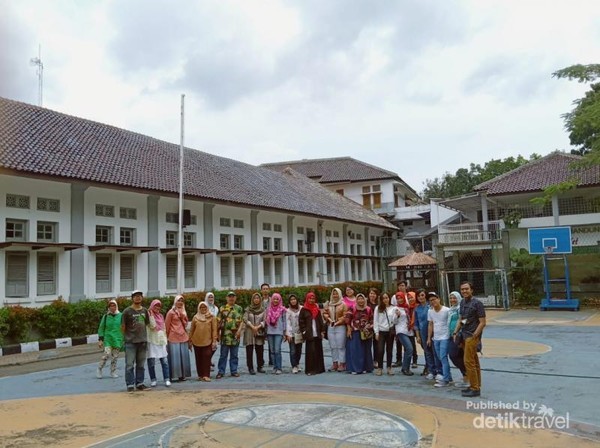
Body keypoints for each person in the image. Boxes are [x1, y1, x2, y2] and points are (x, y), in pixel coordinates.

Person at [453, 281, 486, 397]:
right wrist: (456, 331)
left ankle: (475, 388)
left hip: (471, 336)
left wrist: (475, 335)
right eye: (462, 289)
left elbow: (482, 322)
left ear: (471, 290)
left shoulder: (477, 304)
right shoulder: (462, 302)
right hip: (464, 334)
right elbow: (464, 319)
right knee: (474, 361)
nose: (464, 291)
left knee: (468, 361)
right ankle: (475, 384)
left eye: (466, 289)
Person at [121, 290, 150, 392]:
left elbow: (146, 323)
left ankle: (139, 383)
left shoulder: (145, 311)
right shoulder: (127, 311)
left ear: (142, 298)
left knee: (141, 365)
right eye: (135, 296)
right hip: (130, 342)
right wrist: (124, 339)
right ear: (132, 298)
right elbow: (123, 326)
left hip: (142, 342)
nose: (138, 298)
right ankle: (130, 384)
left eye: (139, 296)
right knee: (129, 365)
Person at [216, 291, 244, 378]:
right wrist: (217, 334)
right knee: (223, 355)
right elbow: (218, 322)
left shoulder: (239, 308)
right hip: (225, 336)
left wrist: (239, 331)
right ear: (226, 298)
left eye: (233, 296)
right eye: (229, 297)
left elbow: (242, 321)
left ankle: (234, 371)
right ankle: (221, 371)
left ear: (235, 298)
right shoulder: (222, 308)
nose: (231, 298)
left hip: (235, 336)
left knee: (234, 355)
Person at [345, 293, 374, 374]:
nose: (361, 300)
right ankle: (355, 369)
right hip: (355, 332)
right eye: (359, 299)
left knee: (366, 350)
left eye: (362, 299)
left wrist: (369, 327)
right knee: (355, 351)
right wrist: (349, 329)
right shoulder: (352, 308)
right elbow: (347, 319)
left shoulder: (368, 309)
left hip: (366, 332)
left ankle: (365, 368)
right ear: (356, 300)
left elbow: (372, 319)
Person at [427, 292, 452, 387]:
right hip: (436, 338)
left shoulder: (447, 310)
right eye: (430, 300)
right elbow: (430, 324)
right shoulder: (430, 311)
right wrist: (429, 338)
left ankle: (446, 379)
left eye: (434, 299)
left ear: (439, 299)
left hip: (445, 337)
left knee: (443, 357)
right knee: (439, 357)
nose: (432, 302)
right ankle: (448, 376)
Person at [189, 302, 218, 382]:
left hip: (208, 341)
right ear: (199, 308)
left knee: (207, 357)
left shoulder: (212, 317)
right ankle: (200, 375)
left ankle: (206, 375)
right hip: (196, 341)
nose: (203, 309)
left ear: (207, 308)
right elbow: (192, 330)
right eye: (201, 307)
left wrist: (214, 341)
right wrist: (189, 340)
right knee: (198, 359)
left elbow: (214, 330)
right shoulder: (195, 317)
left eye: (205, 307)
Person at [298, 292, 326, 375]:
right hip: (309, 333)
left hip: (317, 333)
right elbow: (301, 321)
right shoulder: (304, 309)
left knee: (318, 351)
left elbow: (320, 321)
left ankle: (319, 369)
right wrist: (304, 331)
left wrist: (322, 331)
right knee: (311, 352)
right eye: (310, 298)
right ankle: (310, 370)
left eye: (313, 298)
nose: (311, 300)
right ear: (307, 299)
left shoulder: (316, 309)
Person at [165, 295, 192, 382]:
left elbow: (185, 324)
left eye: (181, 301)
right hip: (173, 336)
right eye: (178, 301)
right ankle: (174, 375)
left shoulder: (184, 311)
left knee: (183, 356)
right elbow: (167, 325)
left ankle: (183, 375)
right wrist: (166, 337)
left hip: (183, 336)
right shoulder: (171, 312)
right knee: (175, 356)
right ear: (175, 302)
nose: (180, 302)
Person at [413, 289, 438, 379]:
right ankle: (431, 371)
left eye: (422, 295)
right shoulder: (417, 309)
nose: (420, 297)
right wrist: (418, 336)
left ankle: (438, 370)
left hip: (434, 332)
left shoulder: (430, 306)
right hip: (423, 333)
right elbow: (416, 323)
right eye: (418, 296)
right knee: (427, 352)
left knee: (435, 352)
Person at [146, 299, 171, 387]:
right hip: (152, 341)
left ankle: (167, 379)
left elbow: (164, 329)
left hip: (161, 341)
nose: (157, 307)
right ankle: (153, 379)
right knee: (151, 362)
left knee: (164, 361)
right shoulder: (149, 316)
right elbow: (153, 326)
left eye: (159, 306)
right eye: (155, 305)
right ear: (152, 306)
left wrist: (165, 341)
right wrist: (151, 315)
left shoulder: (160, 316)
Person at [323, 287, 348, 372]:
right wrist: (329, 319)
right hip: (331, 326)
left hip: (340, 327)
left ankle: (342, 363)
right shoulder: (329, 304)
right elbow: (325, 313)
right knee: (333, 346)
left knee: (341, 346)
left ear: (340, 294)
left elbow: (345, 316)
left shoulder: (343, 304)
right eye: (333, 294)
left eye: (336, 293)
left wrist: (337, 322)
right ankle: (335, 363)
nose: (335, 295)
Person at [96, 299, 123, 379]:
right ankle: (99, 369)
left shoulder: (121, 316)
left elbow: (124, 327)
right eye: (111, 306)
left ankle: (113, 371)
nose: (112, 307)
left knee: (115, 357)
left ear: (116, 306)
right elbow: (101, 328)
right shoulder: (106, 316)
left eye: (114, 305)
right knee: (106, 355)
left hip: (117, 339)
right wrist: (100, 340)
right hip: (108, 339)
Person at [447, 291, 469, 388]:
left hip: (459, 335)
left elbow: (464, 320)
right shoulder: (451, 309)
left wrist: (459, 330)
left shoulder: (461, 308)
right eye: (451, 298)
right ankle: (465, 375)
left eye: (454, 298)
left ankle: (467, 375)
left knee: (454, 355)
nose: (452, 300)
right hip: (451, 335)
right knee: (457, 356)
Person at [373, 292, 396, 376]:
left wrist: (397, 315)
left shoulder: (393, 308)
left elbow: (395, 321)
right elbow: (375, 321)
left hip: (390, 332)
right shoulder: (378, 308)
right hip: (381, 331)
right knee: (380, 350)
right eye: (383, 298)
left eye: (387, 298)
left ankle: (389, 367)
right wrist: (376, 332)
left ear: (389, 298)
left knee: (389, 350)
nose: (385, 300)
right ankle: (380, 368)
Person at [243, 292, 266, 375]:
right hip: (249, 331)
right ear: (252, 299)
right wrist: (253, 327)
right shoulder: (248, 309)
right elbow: (245, 319)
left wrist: (258, 327)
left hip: (259, 331)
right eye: (255, 298)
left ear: (260, 299)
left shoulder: (263, 309)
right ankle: (250, 368)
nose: (256, 300)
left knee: (260, 350)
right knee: (249, 350)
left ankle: (260, 366)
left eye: (258, 298)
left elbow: (265, 320)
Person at [266, 292, 287, 374]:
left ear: (280, 300)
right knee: (272, 351)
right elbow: (266, 320)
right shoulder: (268, 309)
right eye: (274, 299)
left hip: (279, 332)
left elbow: (284, 321)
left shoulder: (282, 309)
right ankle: (274, 367)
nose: (275, 300)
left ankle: (279, 368)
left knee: (277, 350)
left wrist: (284, 332)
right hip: (270, 332)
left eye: (277, 299)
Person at [393, 298, 415, 376]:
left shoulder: (407, 307)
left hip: (409, 330)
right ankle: (405, 368)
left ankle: (405, 367)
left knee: (408, 349)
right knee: (409, 348)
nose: (400, 300)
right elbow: (394, 321)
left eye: (401, 298)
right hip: (400, 331)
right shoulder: (396, 308)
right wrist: (397, 316)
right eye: (398, 298)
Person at [392, 281, 408, 367]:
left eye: (403, 285)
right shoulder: (394, 297)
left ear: (406, 286)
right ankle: (399, 360)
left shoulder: (409, 296)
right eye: (399, 286)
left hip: (408, 324)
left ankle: (413, 360)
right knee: (398, 342)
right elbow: (393, 309)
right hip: (399, 325)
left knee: (409, 345)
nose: (401, 287)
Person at [286, 294, 303, 374]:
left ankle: (297, 363)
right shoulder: (288, 311)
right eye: (291, 300)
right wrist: (288, 334)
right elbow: (287, 322)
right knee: (293, 350)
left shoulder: (301, 309)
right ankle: (294, 366)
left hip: (299, 333)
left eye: (294, 299)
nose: (293, 301)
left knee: (299, 350)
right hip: (291, 334)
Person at [204, 292, 219, 368]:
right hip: (206, 329)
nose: (211, 299)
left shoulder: (216, 308)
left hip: (214, 329)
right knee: (207, 347)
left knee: (214, 346)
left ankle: (208, 360)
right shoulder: (204, 307)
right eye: (209, 297)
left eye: (212, 297)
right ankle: (207, 363)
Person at [260, 283, 273, 366]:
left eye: (266, 289)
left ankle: (272, 360)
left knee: (271, 343)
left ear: (269, 290)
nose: (265, 290)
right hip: (260, 324)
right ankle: (261, 361)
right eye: (263, 289)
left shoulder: (273, 300)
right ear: (261, 290)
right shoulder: (258, 300)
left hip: (271, 324)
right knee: (260, 343)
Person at [367, 288, 380, 367]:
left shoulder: (379, 304)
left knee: (377, 344)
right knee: (367, 344)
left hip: (377, 327)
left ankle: (376, 360)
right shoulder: (366, 303)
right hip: (367, 327)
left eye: (374, 294)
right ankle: (368, 361)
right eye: (371, 293)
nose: (372, 295)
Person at [407, 291, 419, 368]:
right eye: (409, 298)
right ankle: (414, 361)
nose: (410, 299)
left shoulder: (418, 306)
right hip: (410, 328)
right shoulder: (408, 307)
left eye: (411, 297)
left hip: (418, 328)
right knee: (411, 345)